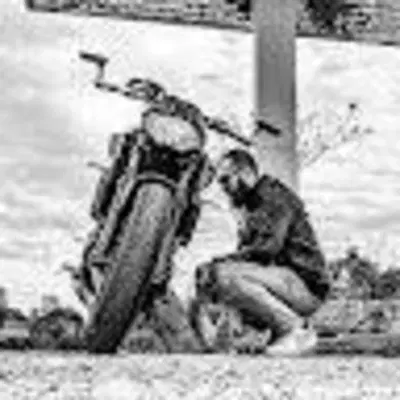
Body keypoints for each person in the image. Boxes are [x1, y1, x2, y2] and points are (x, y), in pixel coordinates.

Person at [194, 148, 331, 356]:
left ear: (246, 173)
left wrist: (217, 264)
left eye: (225, 180)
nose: (223, 188)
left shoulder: (273, 197)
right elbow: (251, 259)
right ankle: (259, 334)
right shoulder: (251, 206)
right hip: (284, 282)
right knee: (219, 276)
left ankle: (296, 329)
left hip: (305, 286)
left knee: (222, 274)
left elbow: (267, 250)